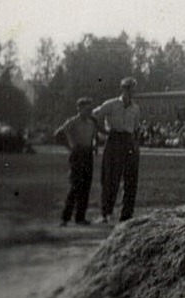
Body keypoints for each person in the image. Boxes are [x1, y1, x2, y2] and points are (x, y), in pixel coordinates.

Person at [93, 77, 142, 224]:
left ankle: (127, 214)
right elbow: (96, 115)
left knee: (131, 178)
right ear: (123, 89)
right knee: (111, 178)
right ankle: (106, 213)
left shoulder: (135, 108)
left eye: (133, 89)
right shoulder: (112, 104)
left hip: (129, 140)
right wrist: (104, 131)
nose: (132, 92)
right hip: (114, 139)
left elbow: (136, 127)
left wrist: (135, 143)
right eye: (129, 88)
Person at [54, 97, 100, 226]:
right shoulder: (73, 122)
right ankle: (65, 218)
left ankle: (80, 217)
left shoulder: (92, 122)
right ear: (79, 108)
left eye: (91, 109)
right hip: (77, 154)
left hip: (87, 154)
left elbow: (95, 136)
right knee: (75, 187)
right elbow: (58, 134)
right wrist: (70, 147)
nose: (89, 112)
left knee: (86, 186)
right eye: (87, 109)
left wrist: (94, 145)